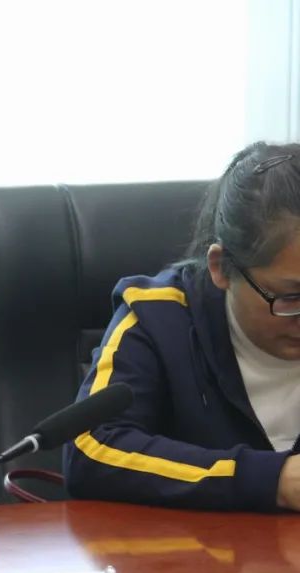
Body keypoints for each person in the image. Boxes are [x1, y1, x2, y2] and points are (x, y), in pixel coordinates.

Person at [64, 141, 300, 512]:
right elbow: (91, 450)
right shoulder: (158, 316)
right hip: (197, 546)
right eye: (291, 297)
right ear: (221, 268)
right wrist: (270, 479)